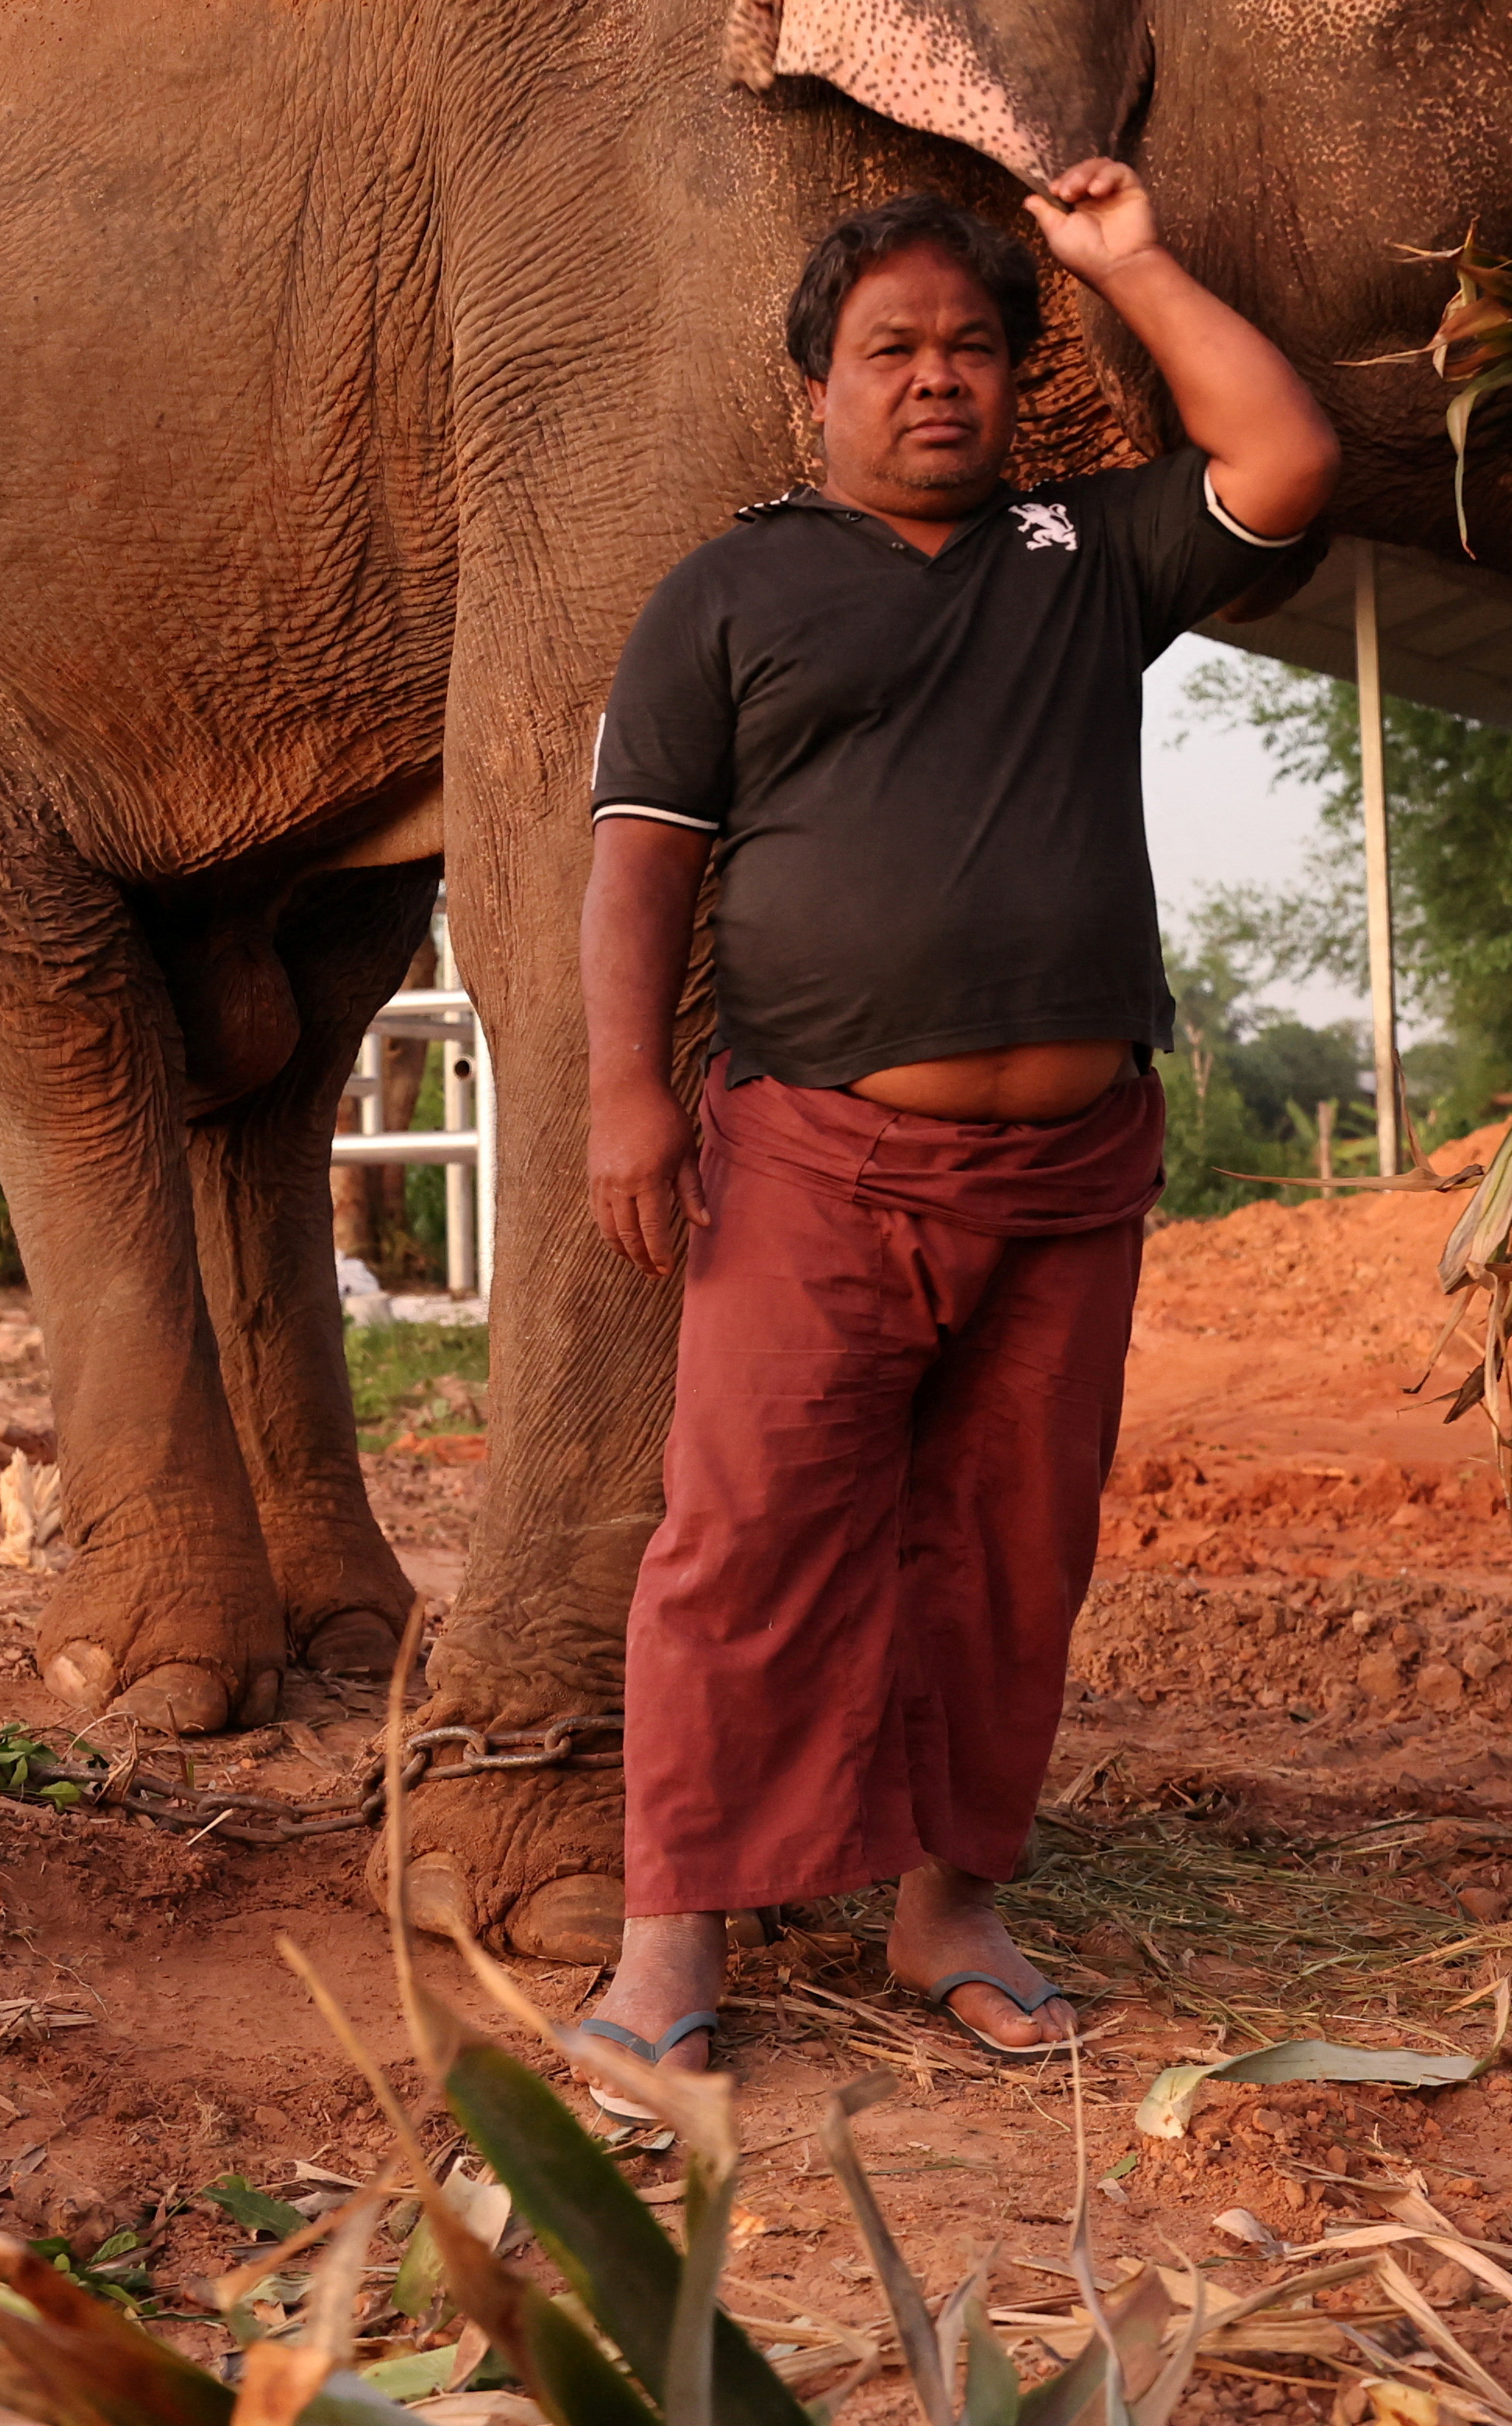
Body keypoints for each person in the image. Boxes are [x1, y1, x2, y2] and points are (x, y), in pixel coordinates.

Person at [574, 160, 1339, 2108]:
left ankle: (951, 1906)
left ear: (1018, 382)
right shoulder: (728, 590)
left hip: (1075, 1176)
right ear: (811, 389)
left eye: (975, 348)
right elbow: (638, 864)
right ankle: (673, 1935)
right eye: (891, 349)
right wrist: (624, 1094)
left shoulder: (1088, 551)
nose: (937, 379)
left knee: (1008, 1547)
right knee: (746, 1536)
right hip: (818, 1158)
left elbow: (1284, 452)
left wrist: (1129, 258)